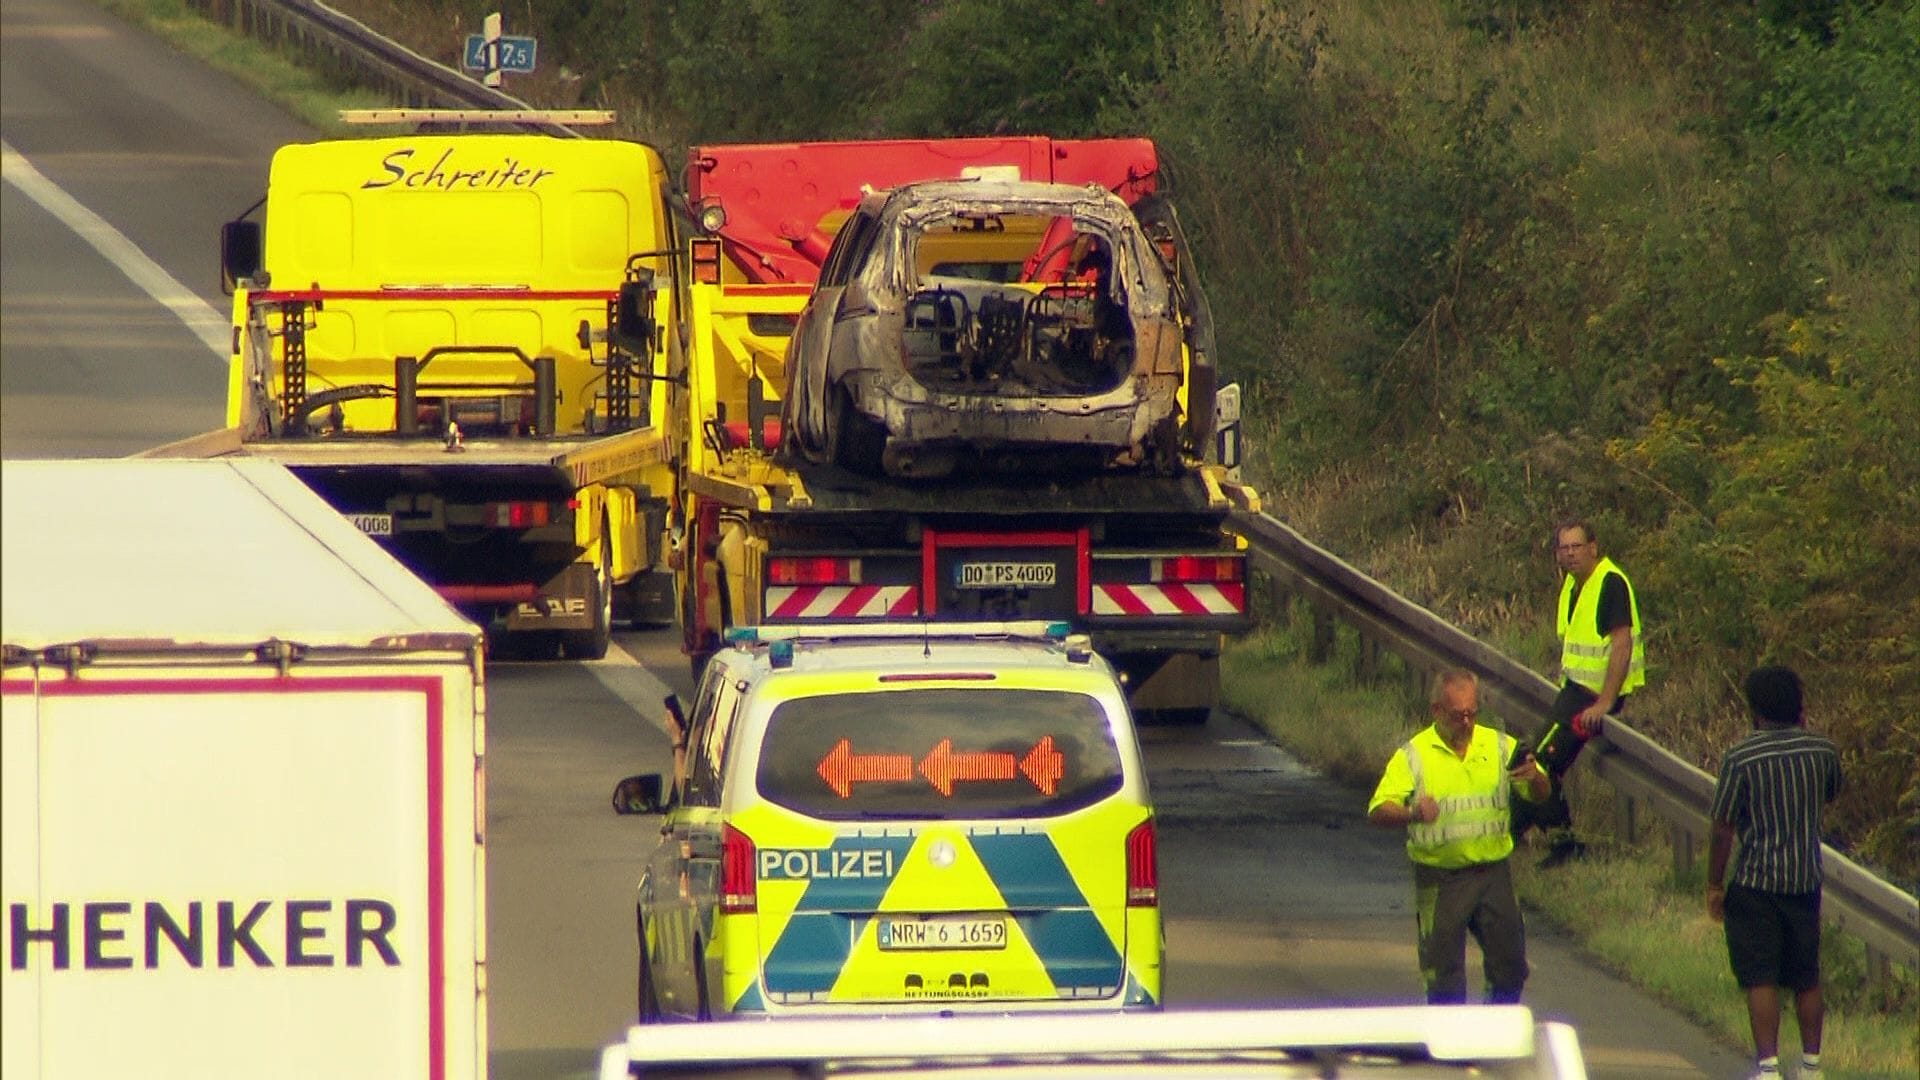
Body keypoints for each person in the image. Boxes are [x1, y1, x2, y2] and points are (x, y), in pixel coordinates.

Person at [1369, 669, 1550, 1004]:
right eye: (1457, 715)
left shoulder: (1497, 745)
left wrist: (1535, 777)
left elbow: (1540, 792)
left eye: (1472, 713)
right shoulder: (1414, 755)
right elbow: (1378, 809)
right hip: (1441, 880)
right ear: (1437, 710)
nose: (1466, 723)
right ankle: (1451, 1047)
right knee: (1444, 976)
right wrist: (1412, 813)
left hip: (1493, 875)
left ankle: (1494, 1037)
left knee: (1510, 966)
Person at [1708, 666, 1842, 1080]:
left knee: (1760, 975)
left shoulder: (1741, 757)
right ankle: (1812, 1066)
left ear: (1755, 708)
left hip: (1756, 882)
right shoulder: (1822, 751)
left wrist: (1714, 884)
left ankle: (1768, 1068)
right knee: (1806, 976)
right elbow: (1833, 792)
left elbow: (1723, 825)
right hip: (1805, 880)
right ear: (1797, 706)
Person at [1512, 518, 1645, 867]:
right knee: (1535, 761)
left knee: (1536, 763)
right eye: (1564, 548)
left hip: (1591, 699)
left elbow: (1621, 645)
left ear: (1593, 548)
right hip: (1574, 692)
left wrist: (1605, 701)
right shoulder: (1575, 586)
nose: (1571, 554)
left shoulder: (1609, 582)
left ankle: (1548, 840)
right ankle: (1543, 836)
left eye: (1577, 547)